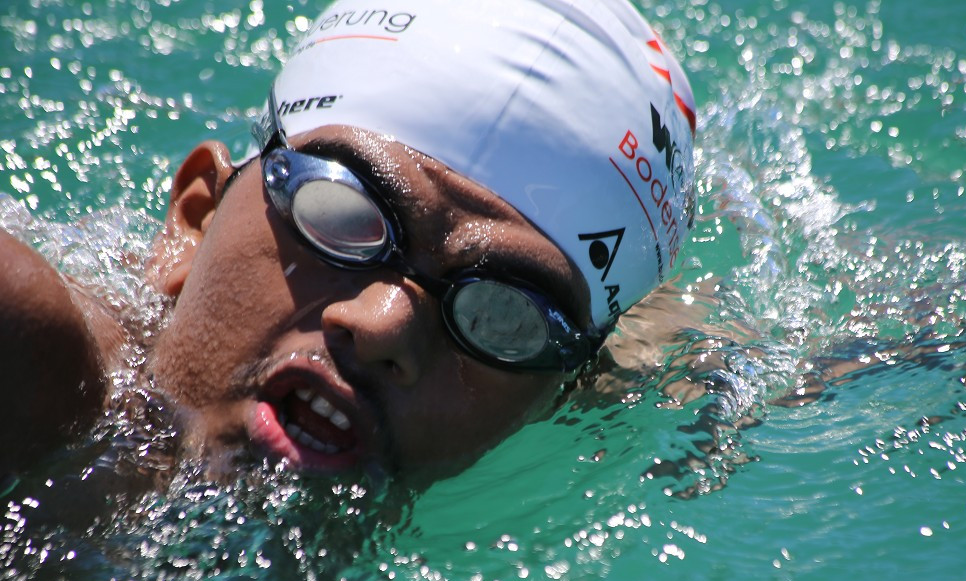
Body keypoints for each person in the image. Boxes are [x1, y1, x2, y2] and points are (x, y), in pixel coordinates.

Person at [0, 0, 697, 487]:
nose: (381, 324)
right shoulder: (31, 352)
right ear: (195, 219)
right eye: (339, 215)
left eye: (501, 314)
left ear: (554, 401)